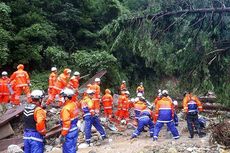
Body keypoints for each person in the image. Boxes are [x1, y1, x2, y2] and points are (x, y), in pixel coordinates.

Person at [59, 88, 79, 153]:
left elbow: (66, 123)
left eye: (63, 97)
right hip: (74, 129)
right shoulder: (74, 104)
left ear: (66, 98)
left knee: (68, 150)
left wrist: (63, 134)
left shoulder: (66, 108)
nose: (61, 98)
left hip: (68, 131)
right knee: (72, 148)